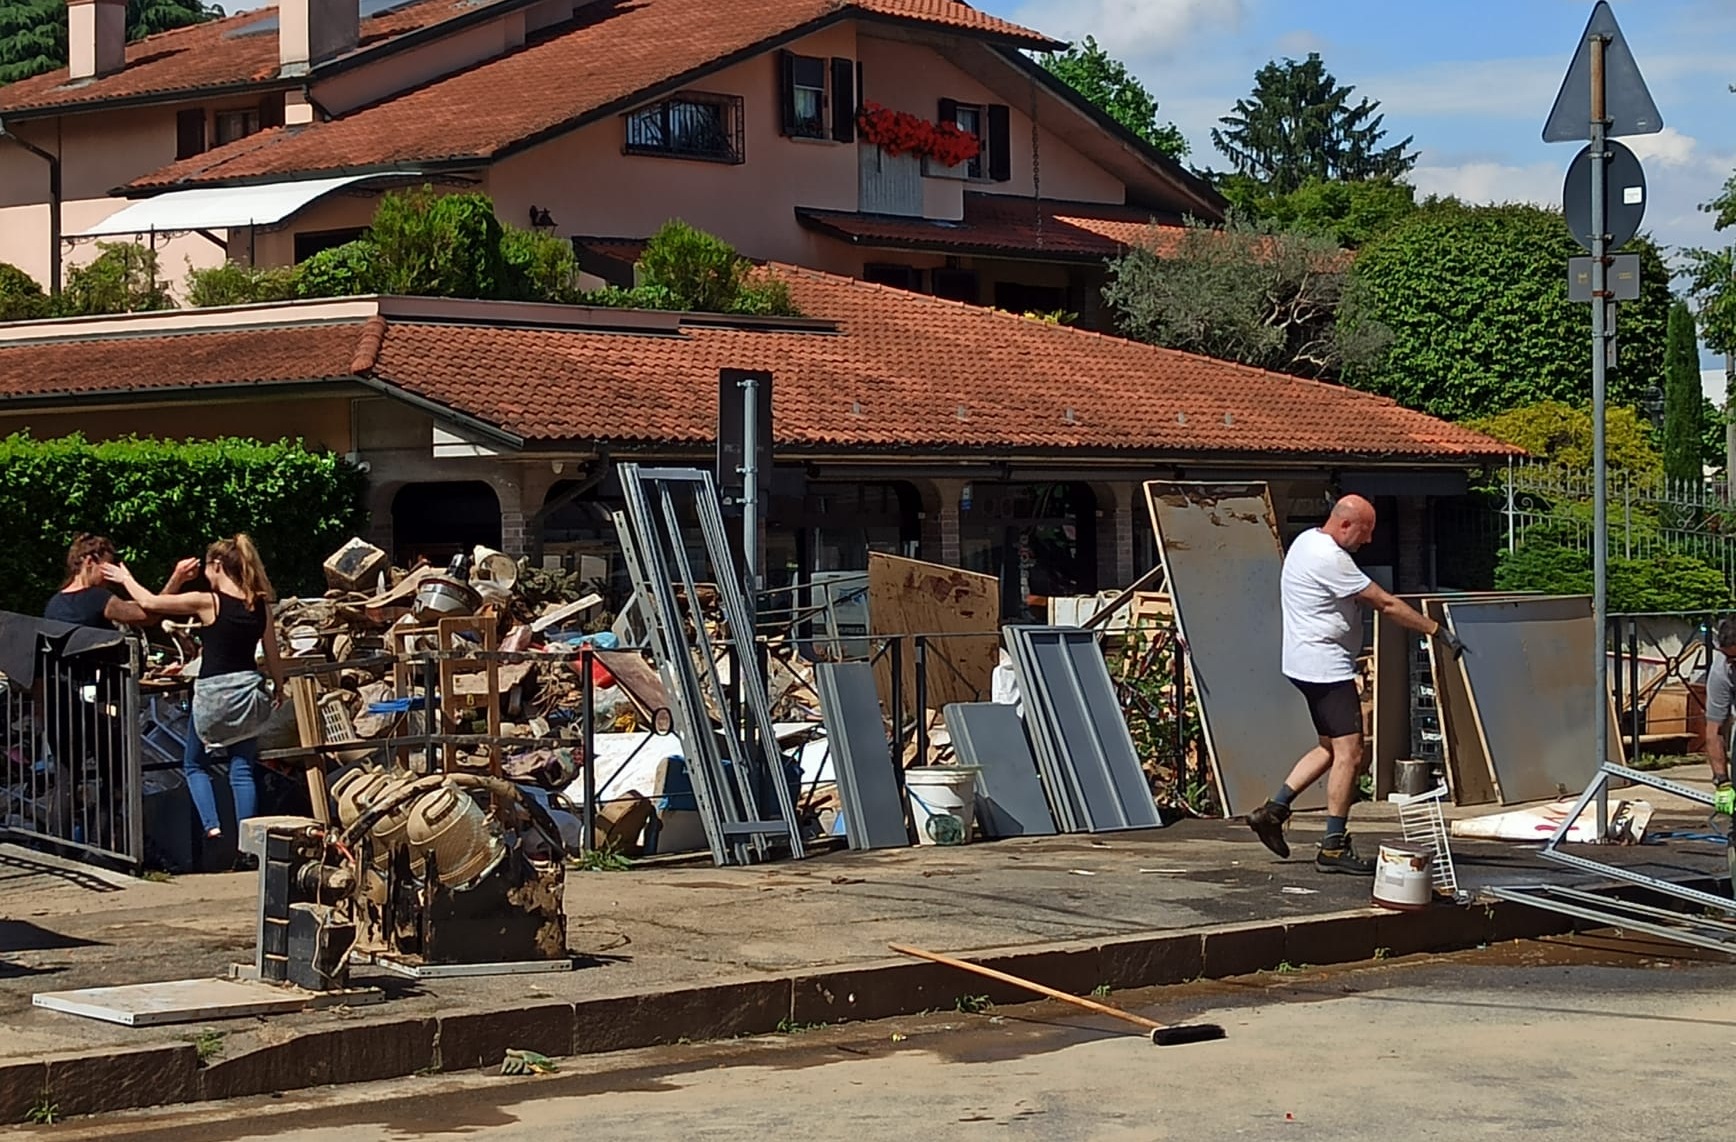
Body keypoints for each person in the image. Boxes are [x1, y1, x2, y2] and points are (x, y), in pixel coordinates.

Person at [1245, 495, 1464, 874]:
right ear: (1345, 525)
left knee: (1330, 747)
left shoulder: (1307, 540)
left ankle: (1273, 812)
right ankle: (1332, 847)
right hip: (1324, 668)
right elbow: (1386, 604)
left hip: (1303, 662)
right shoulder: (1330, 559)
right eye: (1366, 531)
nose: (1369, 540)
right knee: (1352, 753)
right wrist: (1436, 631)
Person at [103, 534, 285, 849]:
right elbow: (272, 653)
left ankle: (212, 827)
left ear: (217, 565)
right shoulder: (259, 603)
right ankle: (249, 846)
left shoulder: (208, 601)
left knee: (194, 764)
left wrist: (125, 578)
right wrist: (280, 686)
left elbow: (149, 603)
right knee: (241, 770)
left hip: (215, 693)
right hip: (248, 692)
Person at [43, 533, 191, 629]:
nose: (109, 576)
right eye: (107, 567)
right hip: (94, 677)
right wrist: (177, 579)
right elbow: (149, 615)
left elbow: (136, 606)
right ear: (89, 561)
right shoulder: (96, 598)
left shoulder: (55, 602)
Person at [1700, 618, 1736, 818]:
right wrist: (1722, 782)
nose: (1731, 664)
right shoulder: (1721, 671)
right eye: (1727, 657)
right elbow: (1714, 731)